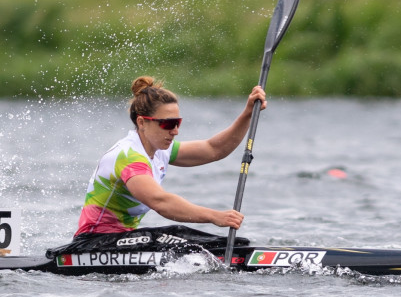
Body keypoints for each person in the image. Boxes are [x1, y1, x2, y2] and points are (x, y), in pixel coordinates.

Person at [74, 75, 266, 237]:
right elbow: (161, 202)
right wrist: (214, 216)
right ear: (142, 122)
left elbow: (214, 149)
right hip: (93, 243)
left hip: (123, 239)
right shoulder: (129, 157)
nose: (175, 131)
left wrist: (248, 113)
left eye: (177, 123)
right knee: (180, 236)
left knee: (194, 239)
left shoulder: (160, 150)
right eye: (167, 124)